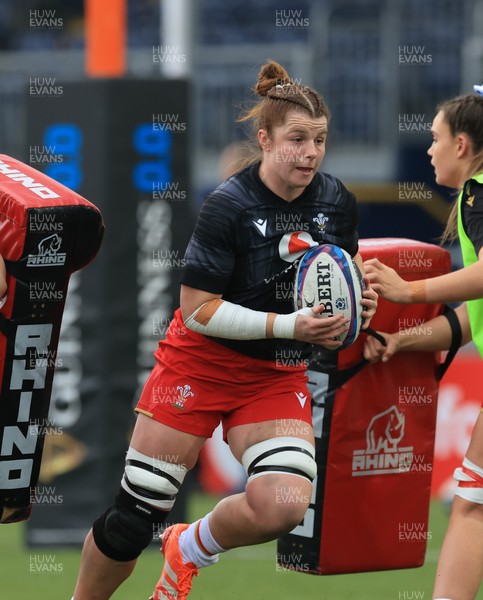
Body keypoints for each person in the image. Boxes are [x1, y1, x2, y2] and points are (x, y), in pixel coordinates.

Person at [72, 59, 378, 600]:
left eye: (320, 140)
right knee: (133, 518)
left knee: (283, 504)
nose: (310, 152)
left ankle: (188, 548)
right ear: (265, 139)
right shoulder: (228, 206)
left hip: (275, 372)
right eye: (297, 139)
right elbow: (196, 310)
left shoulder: (337, 202)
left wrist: (359, 311)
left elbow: (340, 283)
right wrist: (292, 323)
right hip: (199, 362)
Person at [364, 90, 483, 600]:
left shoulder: (478, 190)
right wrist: (405, 339)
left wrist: (408, 291)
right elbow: (470, 321)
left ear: (462, 145)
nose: (429, 150)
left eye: (434, 139)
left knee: (474, 502)